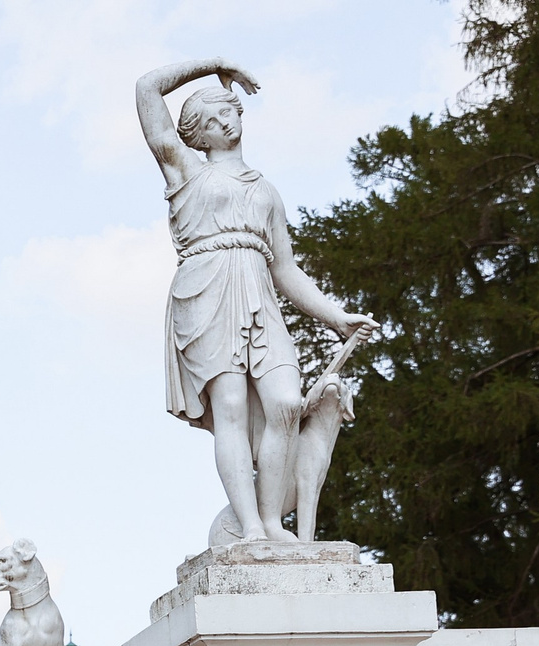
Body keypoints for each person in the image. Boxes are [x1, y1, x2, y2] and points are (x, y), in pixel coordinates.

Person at [136, 60, 376, 542]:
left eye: (226, 110)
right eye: (209, 120)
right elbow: (146, 88)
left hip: (259, 295)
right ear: (196, 138)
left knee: (286, 403)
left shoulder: (267, 190)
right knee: (230, 408)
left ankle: (271, 519)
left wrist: (336, 318)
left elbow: (285, 269)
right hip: (206, 290)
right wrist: (214, 65)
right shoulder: (184, 170)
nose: (224, 121)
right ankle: (251, 527)